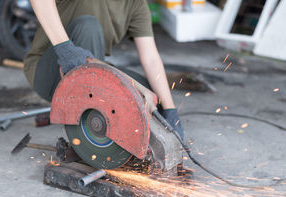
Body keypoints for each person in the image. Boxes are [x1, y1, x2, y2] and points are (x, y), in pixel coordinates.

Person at [24, 0, 184, 140]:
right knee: (88, 26)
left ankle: (101, 131)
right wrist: (64, 48)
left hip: (89, 68)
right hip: (47, 71)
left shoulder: (136, 4)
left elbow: (151, 59)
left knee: (148, 97)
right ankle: (86, 137)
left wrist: (169, 110)